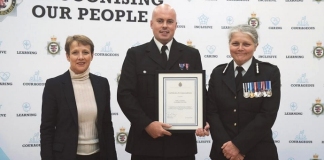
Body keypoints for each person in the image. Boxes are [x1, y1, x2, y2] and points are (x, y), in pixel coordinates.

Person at [117, 4, 209, 160]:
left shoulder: (191, 54)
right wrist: (147, 124)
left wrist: (203, 120)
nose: (165, 26)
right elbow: (125, 94)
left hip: (181, 145)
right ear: (151, 24)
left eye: (170, 21)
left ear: (176, 25)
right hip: (145, 143)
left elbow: (200, 93)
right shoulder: (135, 54)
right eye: (160, 21)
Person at [207, 24, 281, 160]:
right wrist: (228, 147)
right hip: (223, 153)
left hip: (259, 152)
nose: (240, 48)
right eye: (235, 43)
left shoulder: (269, 73)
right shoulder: (218, 73)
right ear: (229, 45)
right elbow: (212, 113)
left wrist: (238, 146)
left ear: (256, 46)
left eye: (246, 44)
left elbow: (267, 115)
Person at [40, 35, 117, 160]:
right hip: (66, 155)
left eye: (85, 52)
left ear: (92, 56)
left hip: (99, 155)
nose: (80, 57)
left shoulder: (102, 84)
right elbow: (47, 129)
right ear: (67, 56)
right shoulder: (54, 85)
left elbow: (107, 125)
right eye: (75, 52)